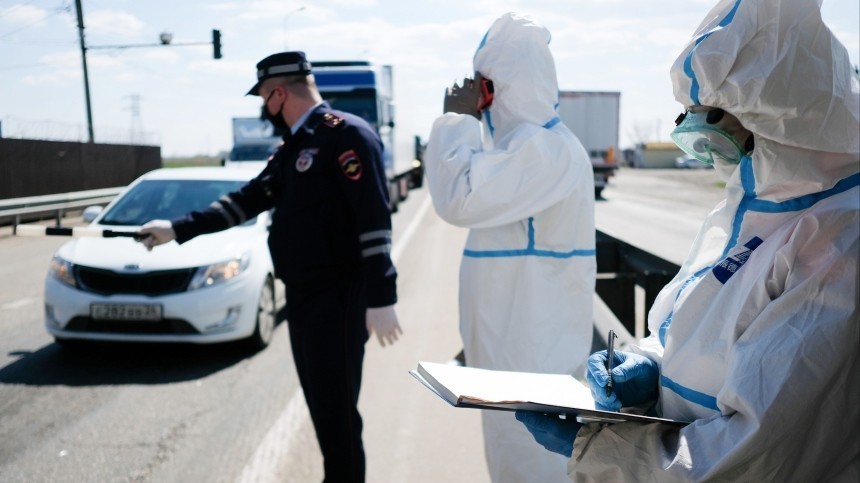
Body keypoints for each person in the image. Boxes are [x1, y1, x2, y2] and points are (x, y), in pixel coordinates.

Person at [516, 0, 859, 480]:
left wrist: (601, 449)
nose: (715, 160)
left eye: (714, 133)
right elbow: (706, 338)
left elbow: (755, 455)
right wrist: (650, 364)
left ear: (783, 122)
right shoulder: (761, 214)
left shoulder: (840, 242)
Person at [137, 51, 403, 483]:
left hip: (338, 298)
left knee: (336, 414)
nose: (263, 108)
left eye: (263, 97)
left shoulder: (347, 136)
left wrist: (382, 297)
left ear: (279, 92)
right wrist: (176, 228)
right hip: (304, 298)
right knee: (323, 406)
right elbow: (248, 198)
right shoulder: (297, 144)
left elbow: (374, 219)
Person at [423, 13, 596, 483]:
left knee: (531, 468)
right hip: (514, 360)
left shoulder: (546, 151)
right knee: (511, 463)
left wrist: (457, 120)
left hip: (532, 367)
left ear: (497, 87)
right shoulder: (523, 149)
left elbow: (457, 198)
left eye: (480, 85)